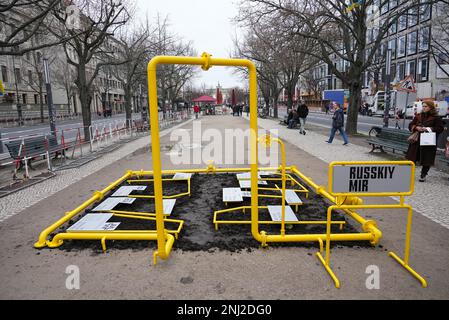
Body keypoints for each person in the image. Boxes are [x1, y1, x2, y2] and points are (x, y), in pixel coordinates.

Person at [406, 100, 444, 182]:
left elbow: (440, 128)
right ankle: (408, 173)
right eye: (423, 106)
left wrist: (428, 129)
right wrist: (416, 127)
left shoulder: (436, 118)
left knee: (427, 158)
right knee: (411, 157)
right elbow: (410, 125)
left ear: (430, 107)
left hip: (428, 140)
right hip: (417, 140)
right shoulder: (418, 116)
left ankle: (423, 174)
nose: (423, 108)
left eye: (425, 106)